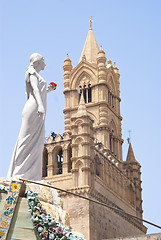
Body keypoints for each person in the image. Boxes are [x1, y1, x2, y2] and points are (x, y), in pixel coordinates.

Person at [7, 53, 53, 180]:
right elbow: (35, 90)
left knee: (36, 141)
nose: (45, 63)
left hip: (36, 106)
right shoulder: (31, 72)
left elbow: (38, 90)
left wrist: (47, 90)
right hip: (33, 108)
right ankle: (19, 172)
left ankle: (31, 175)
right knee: (26, 139)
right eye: (43, 60)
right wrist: (40, 106)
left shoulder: (36, 74)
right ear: (38, 61)